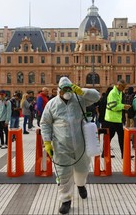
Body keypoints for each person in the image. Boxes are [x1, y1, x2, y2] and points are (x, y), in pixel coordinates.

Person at [40, 77, 100, 214]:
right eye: (64, 89)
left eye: (69, 89)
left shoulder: (79, 99)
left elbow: (97, 96)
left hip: (80, 143)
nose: (67, 92)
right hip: (61, 145)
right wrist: (47, 142)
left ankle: (80, 185)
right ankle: (66, 200)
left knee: (82, 168)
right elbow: (45, 124)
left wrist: (81, 91)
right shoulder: (52, 104)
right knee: (63, 174)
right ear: (58, 91)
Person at [104, 79, 131, 158]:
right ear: (119, 85)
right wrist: (123, 106)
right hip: (112, 119)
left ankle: (105, 153)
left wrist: (123, 106)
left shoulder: (119, 93)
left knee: (111, 136)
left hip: (115, 118)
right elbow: (113, 106)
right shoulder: (113, 93)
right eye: (123, 87)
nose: (124, 89)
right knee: (118, 136)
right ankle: (124, 154)